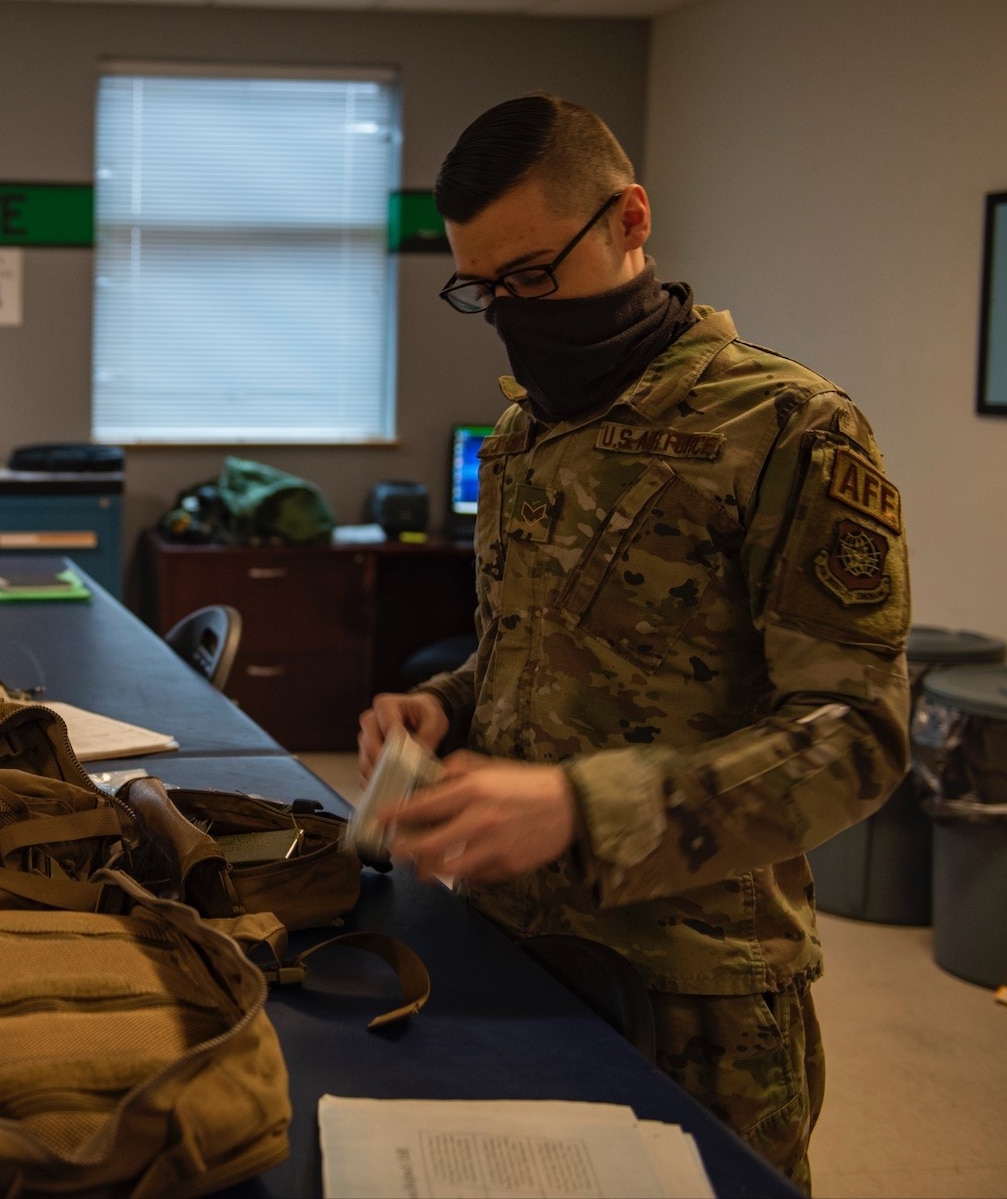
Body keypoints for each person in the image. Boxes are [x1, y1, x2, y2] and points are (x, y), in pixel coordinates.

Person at [358, 94, 910, 1192]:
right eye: (480, 288)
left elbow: (856, 736)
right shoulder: (527, 437)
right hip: (513, 937)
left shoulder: (786, 427)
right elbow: (534, 650)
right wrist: (449, 706)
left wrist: (581, 807)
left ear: (627, 219)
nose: (509, 310)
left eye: (529, 276)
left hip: (695, 981)